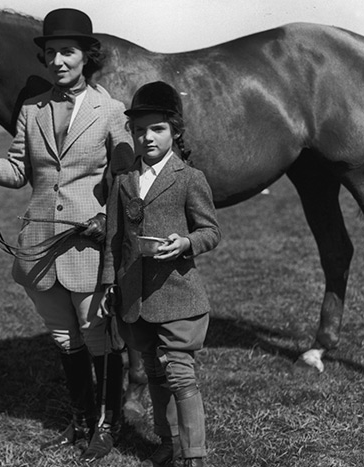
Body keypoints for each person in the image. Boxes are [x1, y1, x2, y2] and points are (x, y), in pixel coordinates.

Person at [0, 8, 134, 461]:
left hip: (88, 242)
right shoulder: (31, 110)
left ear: (88, 56)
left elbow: (125, 178)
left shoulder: (112, 111)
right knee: (66, 339)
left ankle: (109, 423)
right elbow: (16, 172)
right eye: (51, 54)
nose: (58, 61)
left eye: (67, 52)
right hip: (40, 245)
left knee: (99, 335)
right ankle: (81, 419)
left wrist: (110, 218)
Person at [101, 81, 221, 467]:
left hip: (177, 293)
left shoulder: (189, 178)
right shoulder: (123, 180)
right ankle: (167, 442)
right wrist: (108, 283)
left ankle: (194, 455)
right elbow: (114, 237)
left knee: (180, 374)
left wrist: (185, 243)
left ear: (175, 131)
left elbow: (210, 231)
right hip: (135, 293)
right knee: (154, 371)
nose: (146, 137)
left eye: (157, 129)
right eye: (138, 130)